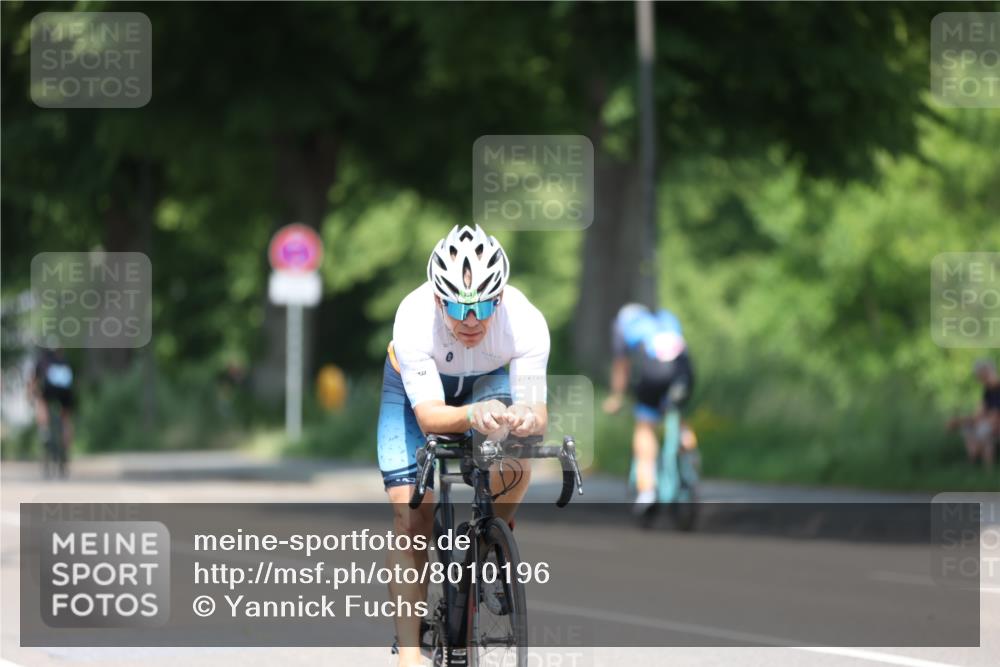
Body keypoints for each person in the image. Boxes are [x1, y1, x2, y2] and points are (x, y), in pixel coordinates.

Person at [378, 224, 549, 667]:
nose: (470, 321)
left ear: (500, 297)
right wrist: (473, 415)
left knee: (517, 450)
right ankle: (410, 653)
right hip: (416, 392)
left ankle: (492, 539)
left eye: (483, 307)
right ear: (438, 298)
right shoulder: (413, 316)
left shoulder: (524, 321)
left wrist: (525, 418)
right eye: (456, 307)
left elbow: (537, 412)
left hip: (486, 382)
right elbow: (431, 417)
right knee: (411, 513)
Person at [602, 303, 696, 514]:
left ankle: (647, 489)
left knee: (645, 428)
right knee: (677, 412)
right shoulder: (665, 318)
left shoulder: (622, 325)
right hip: (684, 371)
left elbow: (621, 366)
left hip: (655, 373)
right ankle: (688, 449)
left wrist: (616, 397)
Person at [947, 359, 1000, 470]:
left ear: (987, 372)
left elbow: (995, 417)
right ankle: (973, 464)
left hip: (995, 425)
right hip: (991, 424)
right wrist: (959, 421)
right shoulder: (987, 391)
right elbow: (979, 414)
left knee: (984, 431)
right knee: (968, 429)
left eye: (980, 375)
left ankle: (983, 468)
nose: (979, 379)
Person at [29, 343, 76, 458]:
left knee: (41, 402)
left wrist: (31, 396)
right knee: (66, 418)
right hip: (66, 391)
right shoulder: (64, 360)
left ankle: (45, 431)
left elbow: (33, 383)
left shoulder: (42, 361)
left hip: (49, 390)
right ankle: (66, 447)